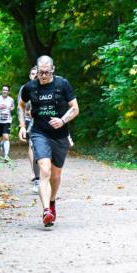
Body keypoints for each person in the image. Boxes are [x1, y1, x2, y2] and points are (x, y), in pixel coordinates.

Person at [19, 55, 79, 227]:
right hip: (40, 133)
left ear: (53, 70)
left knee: (55, 176)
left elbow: (75, 108)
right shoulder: (30, 87)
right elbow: (21, 105)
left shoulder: (62, 84)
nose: (43, 76)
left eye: (46, 72)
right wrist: (22, 126)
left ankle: (52, 202)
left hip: (60, 135)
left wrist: (62, 121)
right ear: (36, 71)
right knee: (44, 170)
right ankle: (46, 211)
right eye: (40, 72)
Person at [18, 66, 41, 193]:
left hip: (44, 120)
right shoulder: (25, 88)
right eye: (32, 73)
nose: (35, 75)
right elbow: (20, 106)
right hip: (30, 120)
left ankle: (44, 173)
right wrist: (22, 126)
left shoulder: (48, 85)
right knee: (33, 146)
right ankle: (36, 175)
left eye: (36, 73)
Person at [0, 85, 16, 160]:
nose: (4, 91)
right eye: (3, 90)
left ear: (8, 92)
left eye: (6, 90)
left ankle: (6, 155)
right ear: (1, 91)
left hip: (7, 121)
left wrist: (10, 108)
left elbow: (12, 107)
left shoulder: (11, 99)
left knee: (6, 137)